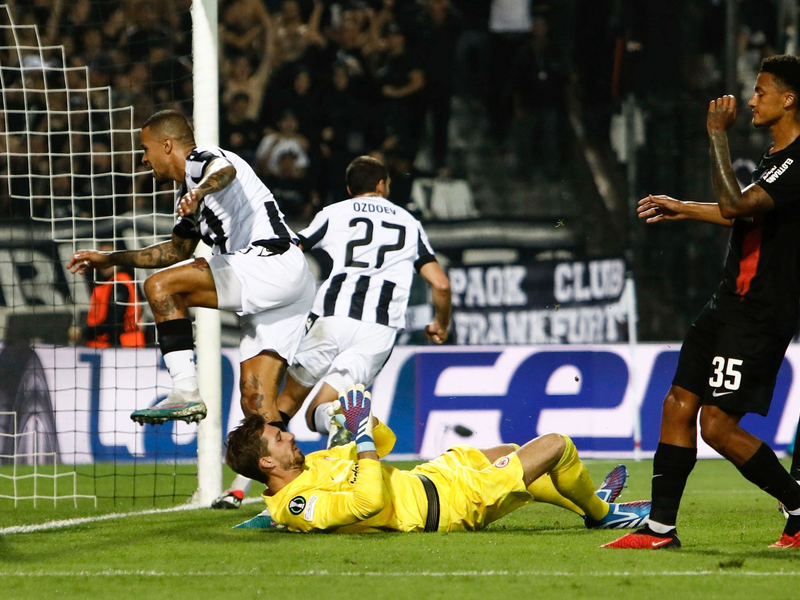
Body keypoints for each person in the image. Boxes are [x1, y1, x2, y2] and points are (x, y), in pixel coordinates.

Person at [605, 55, 800, 550]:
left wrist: (717, 133)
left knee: (716, 425)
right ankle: (660, 529)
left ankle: (798, 506)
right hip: (726, 304)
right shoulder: (776, 160)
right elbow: (743, 215)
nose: (752, 99)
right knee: (677, 404)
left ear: (789, 99)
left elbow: (737, 205)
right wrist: (683, 208)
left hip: (758, 314)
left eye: (761, 91)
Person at [213, 155, 450, 509]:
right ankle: (337, 452)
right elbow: (440, 284)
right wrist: (440, 324)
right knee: (323, 412)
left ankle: (240, 491)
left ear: (350, 188)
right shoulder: (409, 223)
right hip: (377, 330)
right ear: (383, 185)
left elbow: (293, 250)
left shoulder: (335, 213)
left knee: (283, 408)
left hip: (329, 319)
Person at [67, 109, 316, 439]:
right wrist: (109, 258)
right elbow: (175, 252)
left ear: (167, 145)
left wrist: (199, 192)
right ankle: (295, 484)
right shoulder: (186, 194)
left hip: (267, 263)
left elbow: (222, 170)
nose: (143, 159)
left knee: (161, 287)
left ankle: (184, 389)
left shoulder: (202, 160)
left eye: (145, 148)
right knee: (256, 405)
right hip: (285, 280)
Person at [224, 384, 651, 533]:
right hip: (446, 505)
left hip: (434, 476)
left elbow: (383, 445)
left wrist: (363, 418)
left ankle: (587, 498)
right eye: (280, 438)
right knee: (557, 444)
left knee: (507, 453)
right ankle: (598, 512)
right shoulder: (298, 504)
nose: (292, 434)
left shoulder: (310, 466)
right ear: (266, 464)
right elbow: (366, 502)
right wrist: (358, 436)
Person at [68, 242, 146, 349]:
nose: (105, 263)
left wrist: (84, 333)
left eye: (109, 258)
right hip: (107, 346)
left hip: (124, 347)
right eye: (102, 258)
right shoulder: (106, 284)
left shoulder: (120, 283)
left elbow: (114, 321)